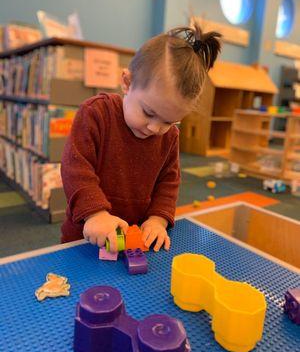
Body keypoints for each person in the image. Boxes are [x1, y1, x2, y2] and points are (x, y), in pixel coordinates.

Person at [61, 24, 221, 253]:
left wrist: (158, 219)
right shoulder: (95, 113)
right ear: (127, 82)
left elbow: (168, 182)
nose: (155, 128)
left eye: (169, 121)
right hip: (85, 237)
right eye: (148, 112)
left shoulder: (170, 137)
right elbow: (75, 167)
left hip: (135, 240)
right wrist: (96, 214)